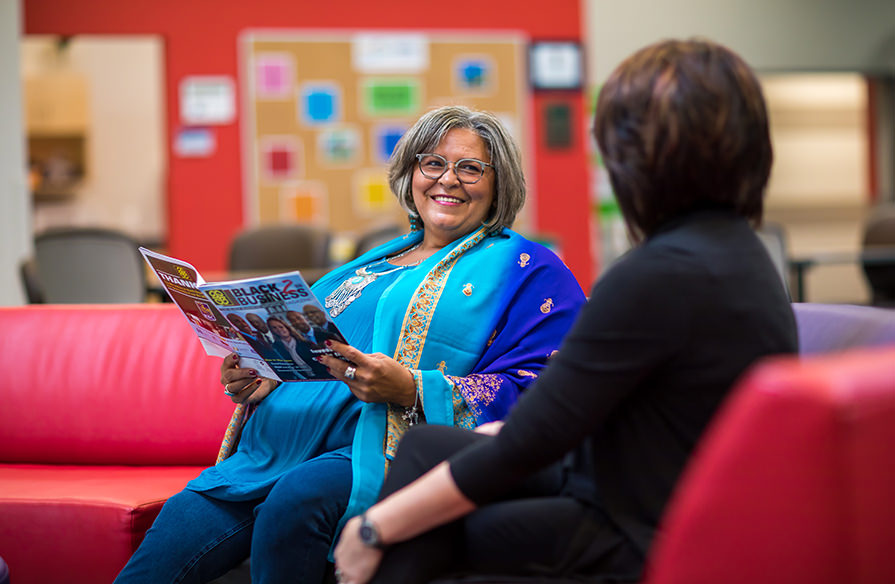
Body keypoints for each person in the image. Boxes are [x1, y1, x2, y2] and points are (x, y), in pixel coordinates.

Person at [333, 39, 799, 584]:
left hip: (640, 524)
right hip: (655, 489)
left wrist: (373, 529)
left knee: (419, 520)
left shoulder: (655, 276)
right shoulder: (741, 254)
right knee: (429, 447)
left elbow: (533, 439)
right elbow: (554, 419)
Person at [113, 105, 585, 584]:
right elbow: (311, 346)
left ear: (498, 182)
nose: (448, 180)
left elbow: (546, 391)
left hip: (377, 445)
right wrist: (261, 374)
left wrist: (411, 388)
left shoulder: (526, 268)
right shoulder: (370, 264)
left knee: (296, 500)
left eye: (469, 168)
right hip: (275, 445)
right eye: (433, 163)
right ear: (411, 174)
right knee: (181, 519)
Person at [267, 314, 329, 379]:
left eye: (281, 327)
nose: (279, 330)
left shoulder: (305, 343)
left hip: (322, 375)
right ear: (272, 331)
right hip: (301, 378)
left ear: (286, 327)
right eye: (274, 328)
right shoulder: (276, 348)